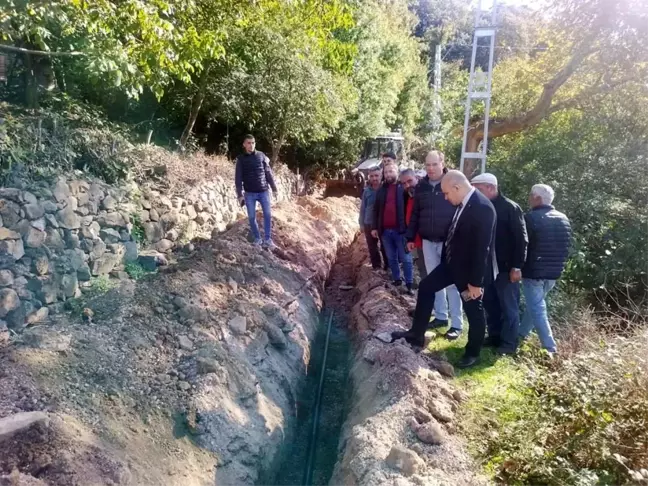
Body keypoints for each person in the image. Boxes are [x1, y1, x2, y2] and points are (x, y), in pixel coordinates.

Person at [392, 170, 496, 369]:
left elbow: (482, 249)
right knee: (426, 287)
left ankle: (472, 352)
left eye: (447, 193)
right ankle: (416, 334)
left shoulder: (482, 208)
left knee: (474, 310)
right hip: (452, 266)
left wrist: (475, 283)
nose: (446, 198)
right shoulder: (462, 203)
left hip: (469, 273)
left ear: (457, 187)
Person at [406, 150, 463, 339]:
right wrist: (410, 237)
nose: (430, 168)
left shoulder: (452, 183)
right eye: (427, 165)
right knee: (432, 280)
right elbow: (415, 213)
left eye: (434, 164)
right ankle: (440, 316)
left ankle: (457, 324)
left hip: (450, 242)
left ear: (442, 163)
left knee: (453, 282)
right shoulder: (421, 187)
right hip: (428, 241)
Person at [472, 173, 528, 355]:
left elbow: (521, 239)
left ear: (491, 188)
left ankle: (509, 344)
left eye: (479, 189)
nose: (476, 193)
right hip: (487, 268)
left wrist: (517, 266)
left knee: (509, 307)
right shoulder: (481, 207)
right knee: (490, 303)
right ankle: (494, 336)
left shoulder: (510, 208)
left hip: (506, 268)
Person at [519, 184, 572, 354]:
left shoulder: (531, 218)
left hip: (534, 271)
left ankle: (550, 348)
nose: (529, 198)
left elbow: (523, 245)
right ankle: (522, 333)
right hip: (554, 272)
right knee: (534, 306)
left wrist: (517, 266)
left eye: (531, 195)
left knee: (537, 308)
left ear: (537, 198)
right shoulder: (563, 218)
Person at [372, 161, 414, 293]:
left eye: (391, 171)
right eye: (386, 172)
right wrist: (374, 227)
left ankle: (409, 284)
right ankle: (397, 280)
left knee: (406, 259)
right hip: (385, 231)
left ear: (397, 171)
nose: (388, 174)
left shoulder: (404, 189)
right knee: (391, 258)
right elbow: (376, 210)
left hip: (401, 231)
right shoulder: (382, 190)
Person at [235, 135, 278, 249]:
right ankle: (258, 239)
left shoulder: (261, 156)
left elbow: (268, 173)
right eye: (248, 143)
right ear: (244, 145)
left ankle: (268, 240)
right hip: (249, 194)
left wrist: (274, 188)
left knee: (268, 215)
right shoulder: (241, 160)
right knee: (251, 217)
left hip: (264, 191)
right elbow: (238, 179)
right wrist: (240, 195)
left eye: (253, 143)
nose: (251, 145)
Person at [359, 166, 388, 271]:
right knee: (372, 247)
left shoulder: (386, 189)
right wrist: (361, 224)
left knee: (385, 246)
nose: (374, 178)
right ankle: (376, 267)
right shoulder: (366, 191)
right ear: (369, 177)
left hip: (382, 223)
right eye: (372, 176)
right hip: (368, 223)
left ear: (381, 175)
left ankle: (388, 267)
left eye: (376, 175)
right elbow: (363, 208)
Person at [399, 169, 426, 279]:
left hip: (426, 241)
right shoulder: (408, 196)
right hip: (415, 241)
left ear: (416, 178)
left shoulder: (425, 195)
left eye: (410, 181)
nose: (407, 185)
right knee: (422, 269)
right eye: (404, 183)